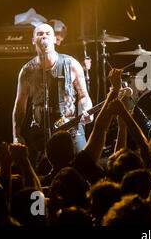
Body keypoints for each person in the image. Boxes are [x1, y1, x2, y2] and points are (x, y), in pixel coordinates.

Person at [12, 23, 94, 165]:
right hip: (40, 131)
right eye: (40, 34)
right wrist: (16, 134)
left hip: (71, 127)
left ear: (55, 40)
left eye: (48, 33)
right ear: (33, 41)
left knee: (83, 164)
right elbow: (20, 106)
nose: (44, 36)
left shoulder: (71, 64)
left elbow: (83, 95)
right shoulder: (27, 71)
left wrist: (86, 110)